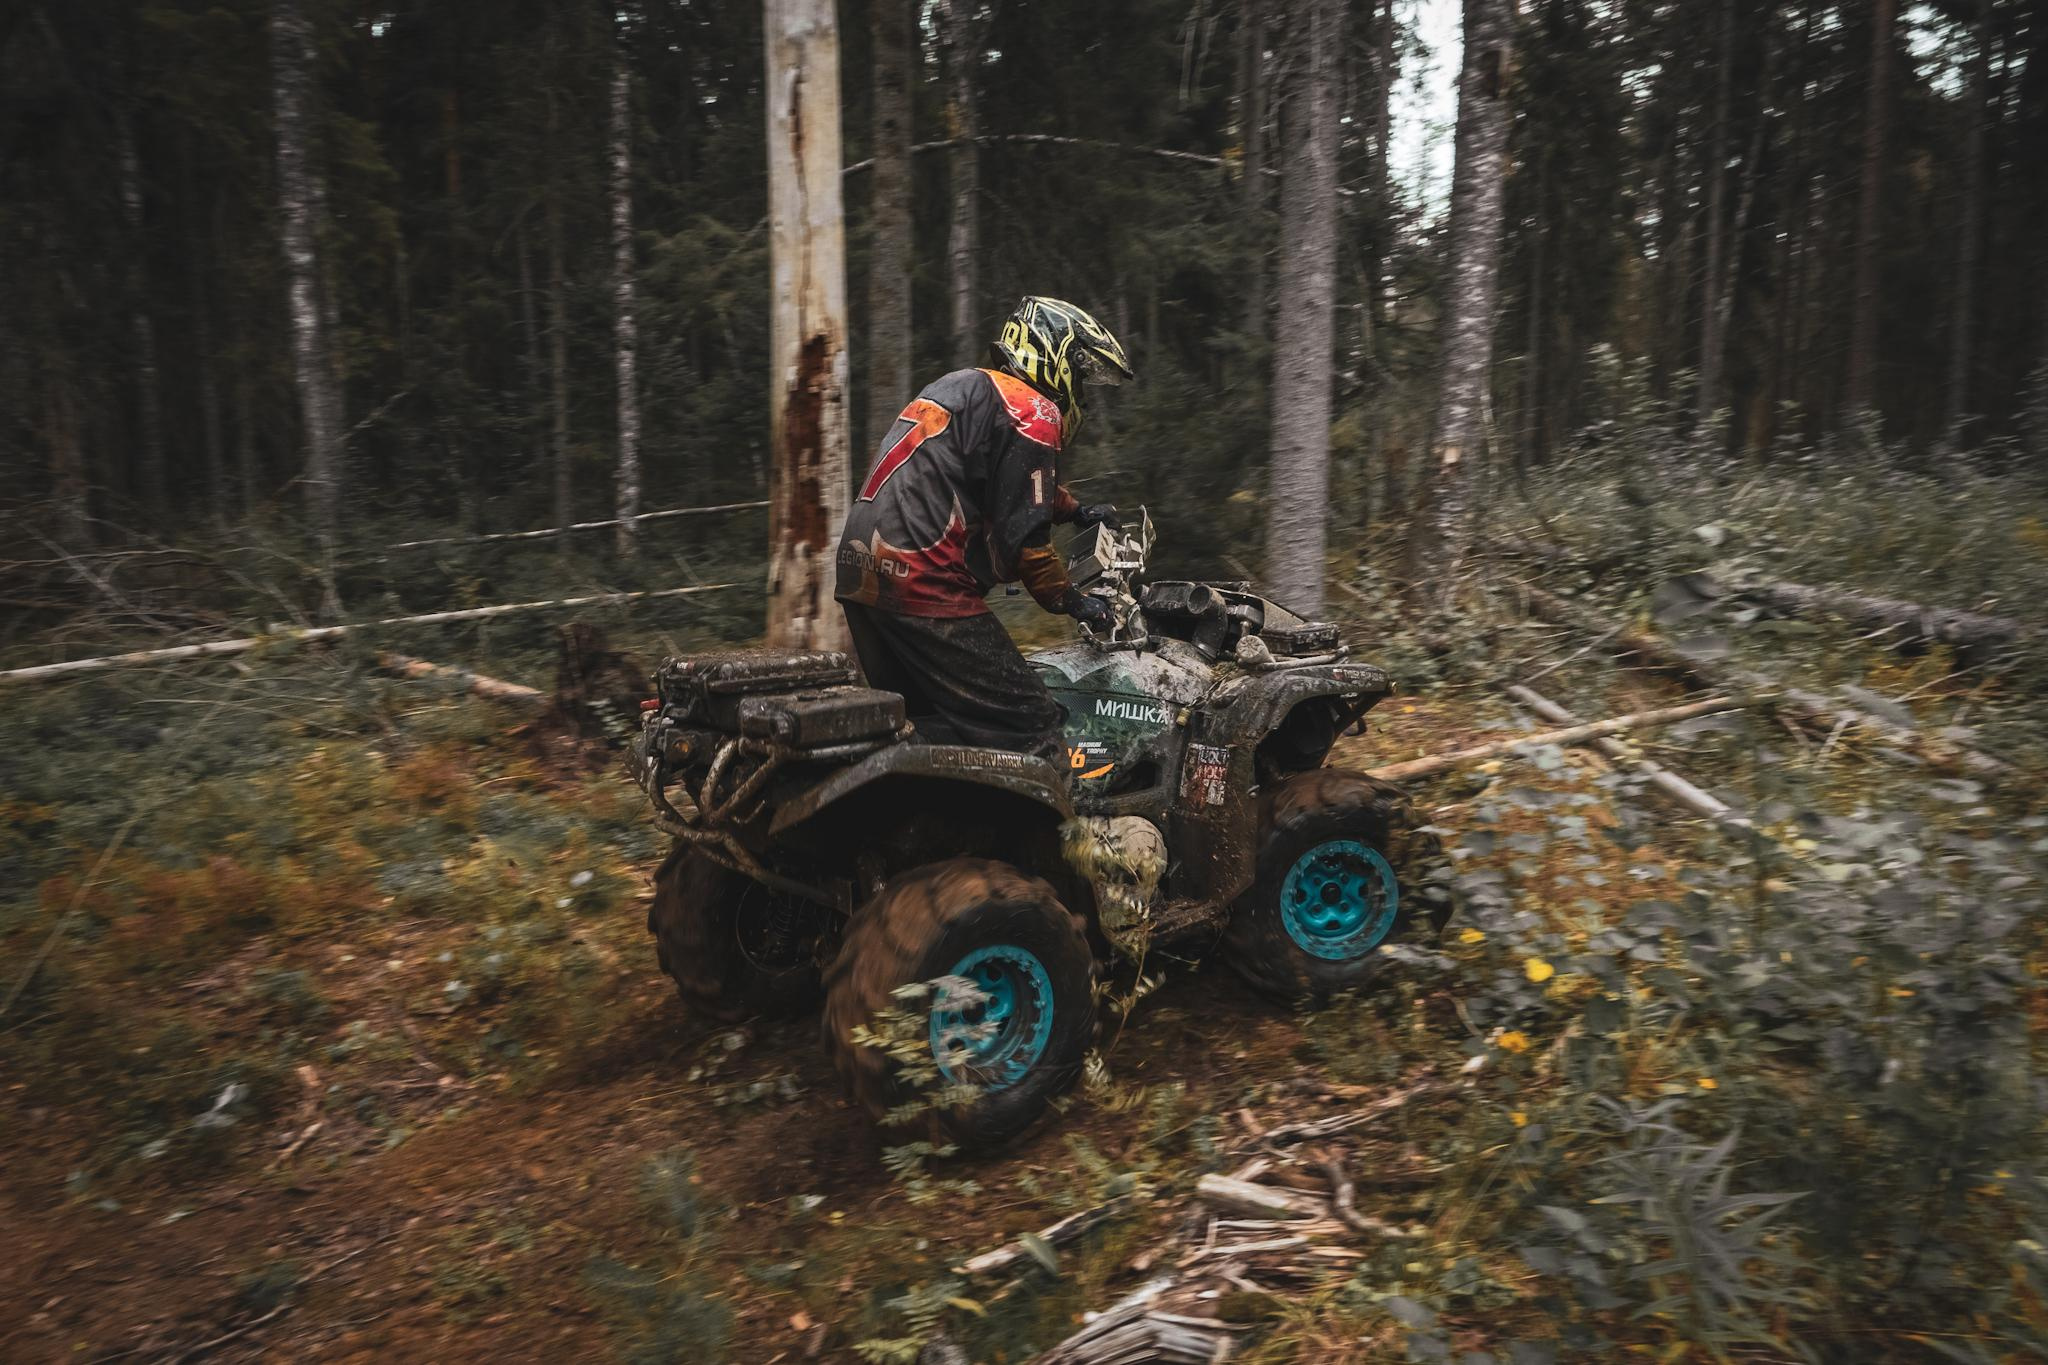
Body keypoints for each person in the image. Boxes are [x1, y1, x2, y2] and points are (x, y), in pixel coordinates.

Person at [835, 296, 1134, 756]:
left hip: (862, 570)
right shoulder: (1034, 410)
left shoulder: (965, 385)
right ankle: (1066, 831)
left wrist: (1076, 510)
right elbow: (1025, 543)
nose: (1082, 395)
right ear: (1059, 357)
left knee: (920, 724)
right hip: (924, 580)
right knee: (1034, 726)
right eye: (1082, 377)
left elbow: (1004, 485)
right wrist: (1074, 601)